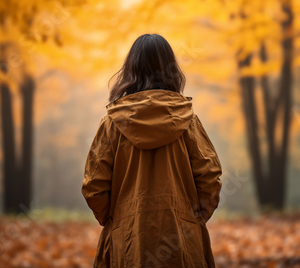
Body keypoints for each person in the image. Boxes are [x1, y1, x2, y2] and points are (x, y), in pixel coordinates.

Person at [81, 33, 223, 267]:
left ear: (130, 70)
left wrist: (116, 220)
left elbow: (94, 186)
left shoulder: (112, 124)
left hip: (128, 242)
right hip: (181, 240)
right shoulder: (188, 121)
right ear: (172, 69)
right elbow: (210, 177)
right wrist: (192, 219)